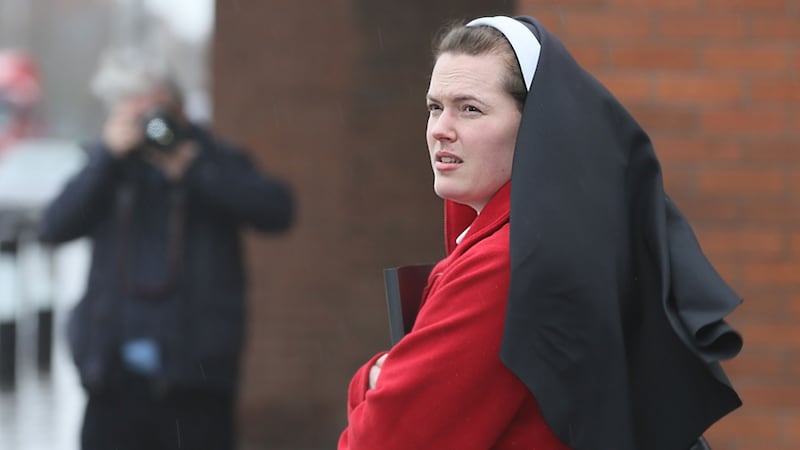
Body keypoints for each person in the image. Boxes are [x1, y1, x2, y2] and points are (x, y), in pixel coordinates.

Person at [338, 15, 743, 450]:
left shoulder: (506, 264)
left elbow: (379, 442)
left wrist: (373, 378)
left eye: (469, 108)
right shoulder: (570, 238)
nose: (440, 129)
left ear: (535, 127)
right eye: (435, 107)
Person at [38, 49, 294, 450]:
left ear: (176, 106)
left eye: (152, 107)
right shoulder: (110, 169)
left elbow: (278, 211)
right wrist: (106, 157)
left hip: (197, 383)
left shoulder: (210, 158)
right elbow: (54, 226)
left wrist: (195, 171)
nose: (146, 123)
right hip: (113, 382)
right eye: (131, 108)